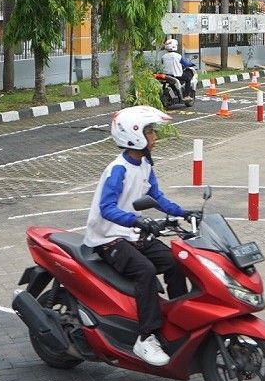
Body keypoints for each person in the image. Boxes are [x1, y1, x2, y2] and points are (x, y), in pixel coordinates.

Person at [83, 106, 198, 366]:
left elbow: (155, 196)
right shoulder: (118, 169)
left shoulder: (144, 164)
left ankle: (178, 320)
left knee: (175, 261)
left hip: (132, 234)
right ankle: (145, 338)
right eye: (150, 132)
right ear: (134, 135)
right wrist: (137, 220)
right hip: (108, 238)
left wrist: (183, 212)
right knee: (145, 271)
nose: (155, 138)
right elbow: (107, 208)